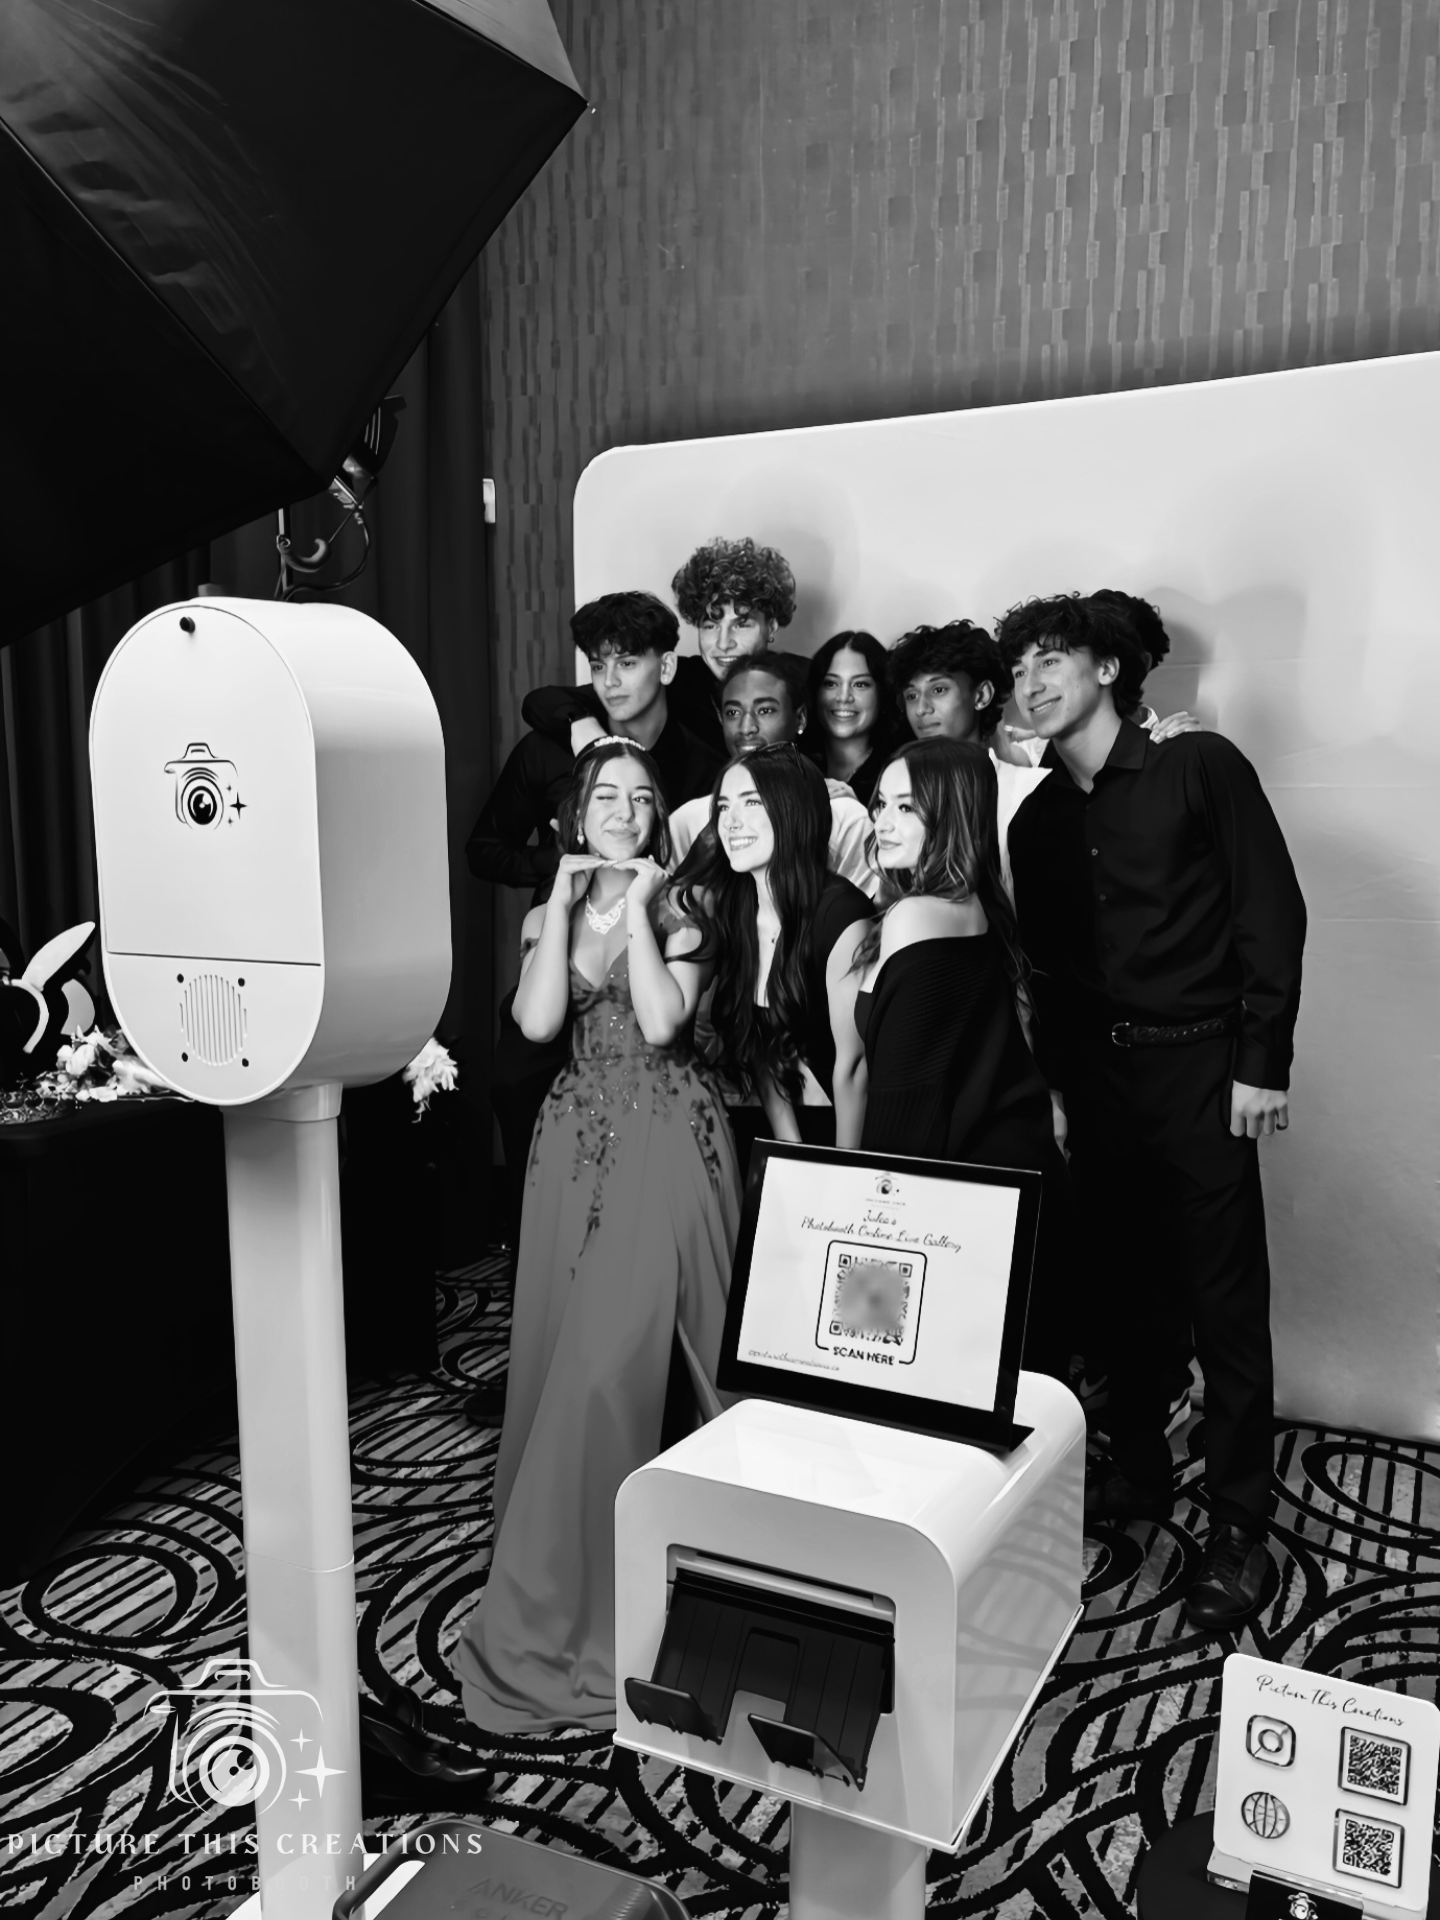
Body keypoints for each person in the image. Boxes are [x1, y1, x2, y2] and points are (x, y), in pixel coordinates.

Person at [998, 591, 1307, 1631]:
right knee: (1126, 1292)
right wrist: (1062, 1092)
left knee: (1225, 1305)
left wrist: (1262, 1064)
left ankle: (1239, 1528)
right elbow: (1051, 971)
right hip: (1100, 1085)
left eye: (1054, 661)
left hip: (1206, 1072)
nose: (1033, 684)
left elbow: (1271, 910)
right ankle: (1138, 1468)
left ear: (1111, 670)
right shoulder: (1039, 821)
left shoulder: (1197, 767)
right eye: (1021, 670)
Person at [454, 740, 740, 1732]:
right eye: (604, 796)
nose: (621, 809)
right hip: (572, 1142)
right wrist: (562, 913)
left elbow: (663, 1023)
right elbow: (537, 1023)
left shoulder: (689, 904)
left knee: (609, 1368)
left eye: (640, 797)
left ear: (660, 816)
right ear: (578, 813)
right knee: (563, 1354)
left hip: (667, 1134)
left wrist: (648, 910)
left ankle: (639, 1592)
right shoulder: (551, 910)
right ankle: (581, 1571)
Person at [467, 591, 723, 1252]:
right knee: (522, 1087)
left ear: (664, 668)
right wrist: (563, 875)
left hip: (657, 965)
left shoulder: (700, 760)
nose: (610, 680)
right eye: (598, 664)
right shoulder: (552, 746)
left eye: (627, 663)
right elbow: (483, 849)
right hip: (563, 950)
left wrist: (644, 895)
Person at [842, 739, 1070, 1380]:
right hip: (1013, 1179)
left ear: (953, 815)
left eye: (907, 808)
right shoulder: (980, 909)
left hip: (966, 1193)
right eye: (880, 803)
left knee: (912, 1391)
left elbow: (906, 1095)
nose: (882, 821)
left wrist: (872, 1237)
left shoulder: (914, 915)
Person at [674, 744, 873, 1174]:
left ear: (792, 809)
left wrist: (844, 1176)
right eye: (723, 806)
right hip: (785, 1129)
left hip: (856, 1136)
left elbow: (853, 1067)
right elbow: (761, 1047)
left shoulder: (840, 912)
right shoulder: (735, 909)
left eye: (751, 802)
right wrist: (792, 1153)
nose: (731, 821)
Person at [519, 536, 798, 757]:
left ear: (771, 627)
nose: (724, 644)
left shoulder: (800, 680)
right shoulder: (678, 679)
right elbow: (541, 701)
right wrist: (579, 722)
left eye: (741, 624)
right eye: (710, 625)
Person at [668, 654, 874, 894]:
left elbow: (866, 917)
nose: (747, 728)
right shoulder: (689, 821)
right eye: (733, 713)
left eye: (765, 710)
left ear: (800, 717)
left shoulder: (843, 816)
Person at [802, 629, 898, 807]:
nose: (843, 697)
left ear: (883, 692)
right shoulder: (793, 762)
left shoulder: (902, 769)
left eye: (860, 684)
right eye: (831, 683)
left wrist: (858, 813)